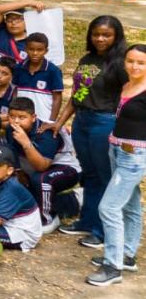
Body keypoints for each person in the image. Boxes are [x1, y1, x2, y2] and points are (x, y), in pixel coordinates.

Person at [59, 15, 127, 246]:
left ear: (116, 36)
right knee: (89, 174)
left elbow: (128, 98)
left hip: (104, 122)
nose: (100, 38)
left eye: (106, 35)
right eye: (96, 34)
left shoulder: (120, 63)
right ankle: (86, 222)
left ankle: (102, 231)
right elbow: (78, 95)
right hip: (82, 121)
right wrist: (60, 123)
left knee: (104, 176)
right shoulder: (87, 59)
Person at [87, 43, 146, 286]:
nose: (134, 66)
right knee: (129, 205)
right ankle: (127, 254)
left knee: (109, 208)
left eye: (141, 63)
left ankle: (113, 266)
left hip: (135, 155)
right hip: (117, 148)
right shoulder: (127, 85)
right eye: (130, 61)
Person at [4, 97, 79, 232]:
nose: (16, 121)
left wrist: (26, 143)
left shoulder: (46, 132)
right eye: (12, 116)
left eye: (22, 117)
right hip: (34, 168)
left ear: (33, 117)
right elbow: (12, 153)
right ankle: (71, 201)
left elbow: (42, 166)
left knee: (41, 180)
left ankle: (46, 219)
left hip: (66, 168)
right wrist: (19, 171)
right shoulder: (11, 129)